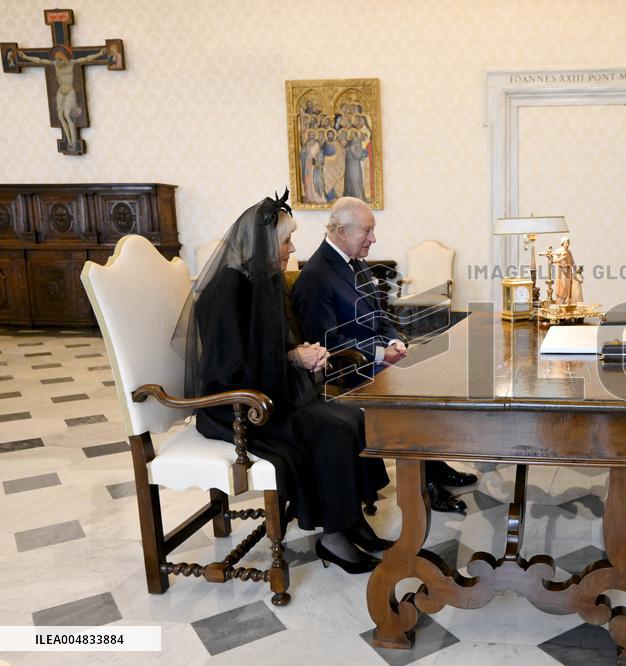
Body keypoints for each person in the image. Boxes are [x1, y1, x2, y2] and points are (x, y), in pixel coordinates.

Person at [175, 191, 392, 575]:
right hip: (236, 407)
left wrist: (300, 351)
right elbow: (231, 369)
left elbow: (270, 346)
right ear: (260, 246)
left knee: (354, 419)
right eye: (286, 242)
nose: (293, 249)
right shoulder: (225, 290)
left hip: (268, 393)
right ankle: (334, 538)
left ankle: (352, 520)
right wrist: (294, 357)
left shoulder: (263, 279)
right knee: (331, 429)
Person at [292, 196, 478, 513]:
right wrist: (380, 354)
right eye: (367, 231)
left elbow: (380, 315)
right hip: (348, 369)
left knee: (434, 375)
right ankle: (426, 485)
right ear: (339, 231)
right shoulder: (316, 275)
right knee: (416, 390)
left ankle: (435, 466)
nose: (373, 239)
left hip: (375, 359)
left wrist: (395, 341)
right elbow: (324, 341)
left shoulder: (358, 264)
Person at [19, 46, 106, 150]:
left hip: (70, 92)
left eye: (60, 59)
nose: (58, 61)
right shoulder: (56, 65)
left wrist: (100, 54)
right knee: (60, 116)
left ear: (64, 57)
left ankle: (73, 142)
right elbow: (40, 61)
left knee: (67, 115)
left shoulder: (71, 63)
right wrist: (25, 57)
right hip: (60, 93)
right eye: (56, 59)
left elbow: (87, 59)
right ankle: (69, 142)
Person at [552, 236, 583, 304]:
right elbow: (554, 260)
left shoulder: (569, 251)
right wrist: (562, 258)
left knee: (569, 286)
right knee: (562, 286)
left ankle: (567, 302)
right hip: (562, 270)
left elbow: (572, 261)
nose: (568, 244)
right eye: (566, 242)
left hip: (569, 270)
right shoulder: (559, 250)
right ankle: (560, 302)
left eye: (568, 243)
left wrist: (576, 270)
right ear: (562, 243)